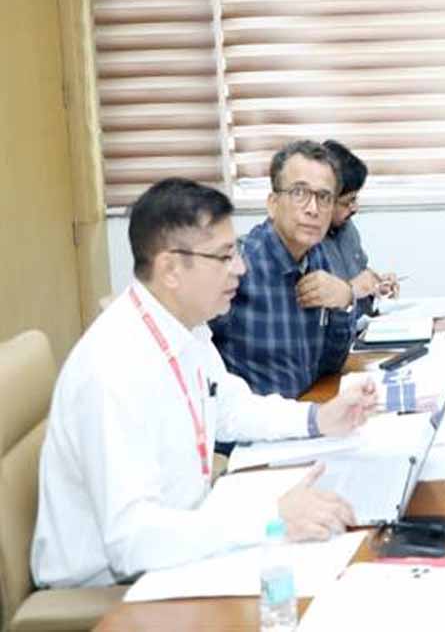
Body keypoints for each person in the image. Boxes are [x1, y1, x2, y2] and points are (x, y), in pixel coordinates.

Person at [32, 178, 377, 589]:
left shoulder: (184, 327)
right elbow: (131, 542)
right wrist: (270, 517)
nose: (241, 269)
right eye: (225, 256)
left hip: (185, 537)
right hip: (113, 589)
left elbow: (230, 408)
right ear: (170, 270)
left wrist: (319, 418)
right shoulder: (113, 367)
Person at [210, 140, 356, 399]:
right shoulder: (237, 267)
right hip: (254, 421)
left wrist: (345, 300)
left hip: (304, 411)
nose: (313, 209)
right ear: (273, 203)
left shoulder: (317, 256)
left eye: (324, 197)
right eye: (299, 193)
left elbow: (329, 366)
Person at [321, 139, 399, 318]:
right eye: (347, 202)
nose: (355, 208)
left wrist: (378, 285)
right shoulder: (305, 244)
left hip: (365, 325)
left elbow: (360, 273)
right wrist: (351, 290)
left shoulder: (347, 228)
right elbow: (312, 315)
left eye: (355, 199)